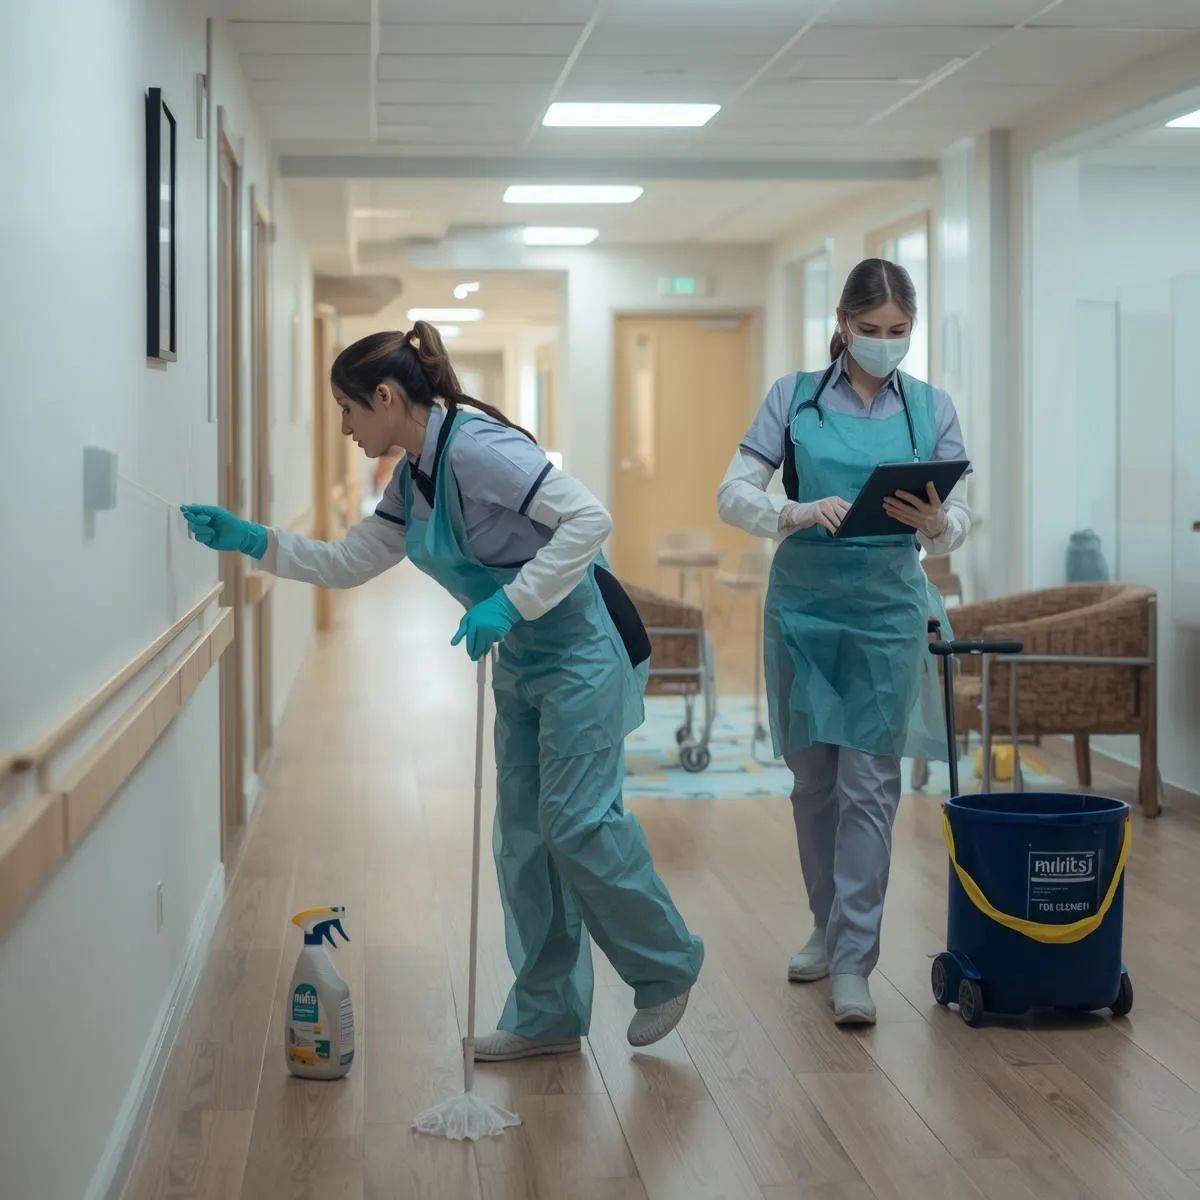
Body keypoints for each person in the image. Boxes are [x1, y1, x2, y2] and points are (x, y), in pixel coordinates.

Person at [181, 323, 703, 1059]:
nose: (344, 427)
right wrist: (254, 541)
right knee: (523, 836)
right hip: (523, 656)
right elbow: (348, 560)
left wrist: (508, 602)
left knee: (577, 819)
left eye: (350, 409)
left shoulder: (481, 449)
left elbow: (590, 519)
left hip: (586, 645)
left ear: (388, 397)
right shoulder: (413, 478)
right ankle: (548, 1015)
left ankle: (667, 964)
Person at [717, 259, 970, 1025]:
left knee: (870, 784)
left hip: (888, 609)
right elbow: (733, 495)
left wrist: (938, 526)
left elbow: (960, 516)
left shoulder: (932, 410)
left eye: (899, 333)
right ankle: (826, 929)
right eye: (871, 331)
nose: (885, 344)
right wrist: (792, 511)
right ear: (842, 321)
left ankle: (856, 961)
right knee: (814, 783)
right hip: (804, 608)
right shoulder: (793, 399)